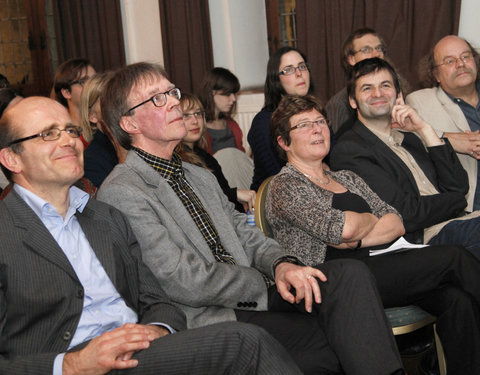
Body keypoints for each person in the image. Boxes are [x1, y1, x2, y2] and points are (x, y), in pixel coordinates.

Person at [97, 61, 405, 375]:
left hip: (257, 290)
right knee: (328, 341)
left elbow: (246, 234)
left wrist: (282, 264)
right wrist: (262, 280)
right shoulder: (124, 190)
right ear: (130, 124)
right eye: (157, 98)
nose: (174, 101)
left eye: (171, 91)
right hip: (213, 312)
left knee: (347, 276)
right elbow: (180, 278)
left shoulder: (197, 175)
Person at [0, 96, 303, 375]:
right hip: (71, 365)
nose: (68, 140)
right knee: (242, 342)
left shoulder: (104, 218)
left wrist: (157, 328)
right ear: (12, 159)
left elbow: (156, 300)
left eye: (70, 130)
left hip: (141, 353)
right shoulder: (7, 231)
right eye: (48, 134)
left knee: (314, 327)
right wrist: (70, 364)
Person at [266, 93, 480, 375]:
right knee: (454, 258)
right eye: (303, 125)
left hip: (381, 263)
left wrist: (355, 235)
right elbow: (340, 229)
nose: (317, 129)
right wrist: (362, 224)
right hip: (337, 281)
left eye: (320, 121)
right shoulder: (285, 185)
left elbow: (395, 222)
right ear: (284, 142)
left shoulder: (347, 178)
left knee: (457, 301)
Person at [330, 57, 480, 260]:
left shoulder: (410, 138)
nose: (378, 94)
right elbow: (406, 213)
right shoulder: (350, 149)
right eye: (367, 88)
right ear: (352, 101)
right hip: (424, 238)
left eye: (385, 85)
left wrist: (424, 129)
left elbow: (459, 184)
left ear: (398, 95)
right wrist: (456, 201)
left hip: (463, 221)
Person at [406, 35, 480, 212]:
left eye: (465, 56)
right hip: (466, 209)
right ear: (436, 74)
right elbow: (403, 137)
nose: (460, 64)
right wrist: (448, 139)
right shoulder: (420, 102)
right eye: (449, 61)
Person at [248, 46, 314, 190]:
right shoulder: (263, 122)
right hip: (276, 196)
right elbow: (278, 176)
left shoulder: (316, 113)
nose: (299, 74)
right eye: (289, 70)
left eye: (302, 66)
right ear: (276, 80)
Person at [177, 93, 255, 212]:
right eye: (186, 115)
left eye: (197, 114)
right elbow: (201, 200)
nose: (194, 121)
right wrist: (235, 194)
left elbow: (225, 196)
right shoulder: (176, 160)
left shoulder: (206, 158)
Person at [325, 28, 389, 137]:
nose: (376, 54)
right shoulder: (340, 103)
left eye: (379, 48)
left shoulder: (393, 91)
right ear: (351, 59)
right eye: (366, 50)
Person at [80, 72, 126, 187]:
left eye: (120, 99)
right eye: (108, 102)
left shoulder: (141, 139)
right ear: (92, 116)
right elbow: (117, 198)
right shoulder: (91, 161)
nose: (118, 107)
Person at [198, 67, 245, 154]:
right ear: (211, 93)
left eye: (234, 94)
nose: (233, 99)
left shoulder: (232, 125)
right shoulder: (197, 127)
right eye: (227, 94)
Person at [51, 58, 96, 143]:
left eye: (94, 80)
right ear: (67, 92)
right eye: (84, 81)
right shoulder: (62, 138)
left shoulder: (104, 128)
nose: (92, 86)